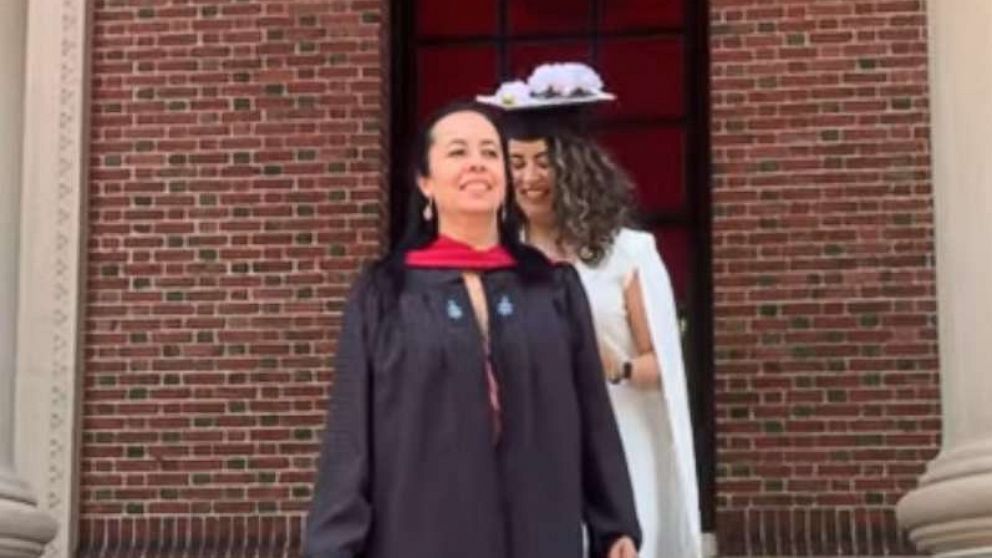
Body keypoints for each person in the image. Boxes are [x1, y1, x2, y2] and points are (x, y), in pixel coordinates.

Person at [303, 101, 641, 558]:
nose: (477, 163)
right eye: (458, 152)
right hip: (419, 533)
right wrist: (332, 546)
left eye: (490, 152)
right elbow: (350, 435)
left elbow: (592, 415)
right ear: (426, 182)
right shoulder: (386, 293)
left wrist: (614, 524)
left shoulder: (550, 288)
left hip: (538, 531)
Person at [507, 117, 702, 558]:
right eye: (516, 163)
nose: (528, 177)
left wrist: (619, 365)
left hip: (619, 436)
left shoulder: (628, 252)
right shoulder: (502, 255)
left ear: (572, 166)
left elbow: (663, 366)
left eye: (542, 162)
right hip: (533, 442)